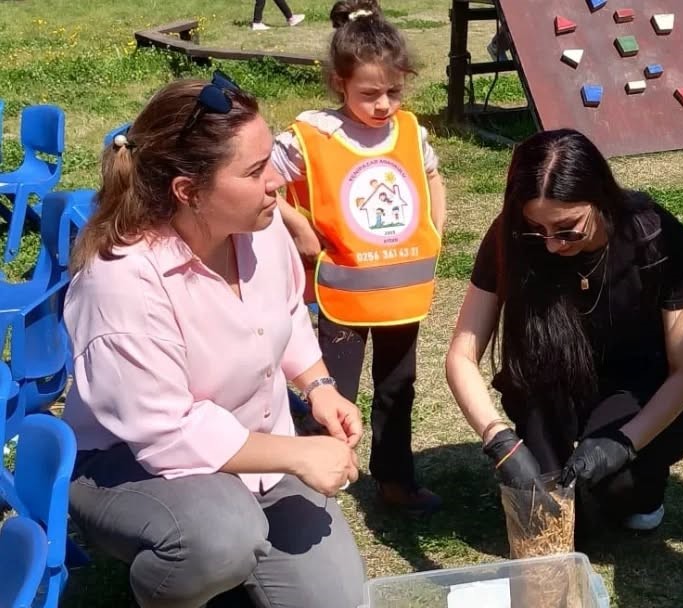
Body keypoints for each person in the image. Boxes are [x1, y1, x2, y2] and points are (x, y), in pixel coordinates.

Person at [63, 75, 366, 608]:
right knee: (219, 539)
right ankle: (173, 589)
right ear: (188, 191)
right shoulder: (122, 280)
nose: (276, 181)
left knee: (337, 601)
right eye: (254, 171)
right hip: (127, 462)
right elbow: (165, 433)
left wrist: (319, 385)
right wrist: (296, 454)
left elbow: (289, 314)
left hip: (256, 447)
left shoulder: (260, 227)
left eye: (269, 158)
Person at [445, 129, 683, 532]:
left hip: (637, 388)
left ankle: (645, 483)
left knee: (614, 491)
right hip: (551, 382)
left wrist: (624, 442)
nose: (551, 245)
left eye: (567, 229)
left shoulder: (654, 237)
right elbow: (462, 356)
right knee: (551, 515)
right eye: (538, 229)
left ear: (601, 197)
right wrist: (498, 439)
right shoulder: (511, 235)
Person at [274, 0, 448, 516]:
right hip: (341, 294)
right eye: (370, 94)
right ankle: (312, 486)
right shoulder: (311, 135)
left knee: (398, 389)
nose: (384, 105)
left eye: (394, 92)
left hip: (400, 294)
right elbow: (263, 181)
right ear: (338, 83)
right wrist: (300, 227)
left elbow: (431, 176)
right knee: (334, 392)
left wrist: (435, 227)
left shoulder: (411, 131)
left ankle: (395, 481)